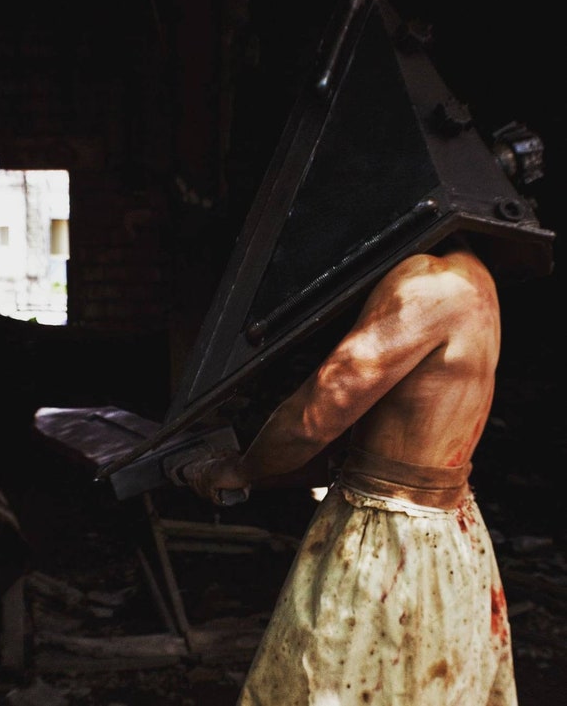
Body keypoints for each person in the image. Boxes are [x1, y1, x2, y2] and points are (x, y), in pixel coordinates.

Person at [180, 232, 518, 705]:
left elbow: (314, 417)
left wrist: (240, 468)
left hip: (392, 540)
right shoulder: (475, 274)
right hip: (452, 535)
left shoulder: (430, 282)